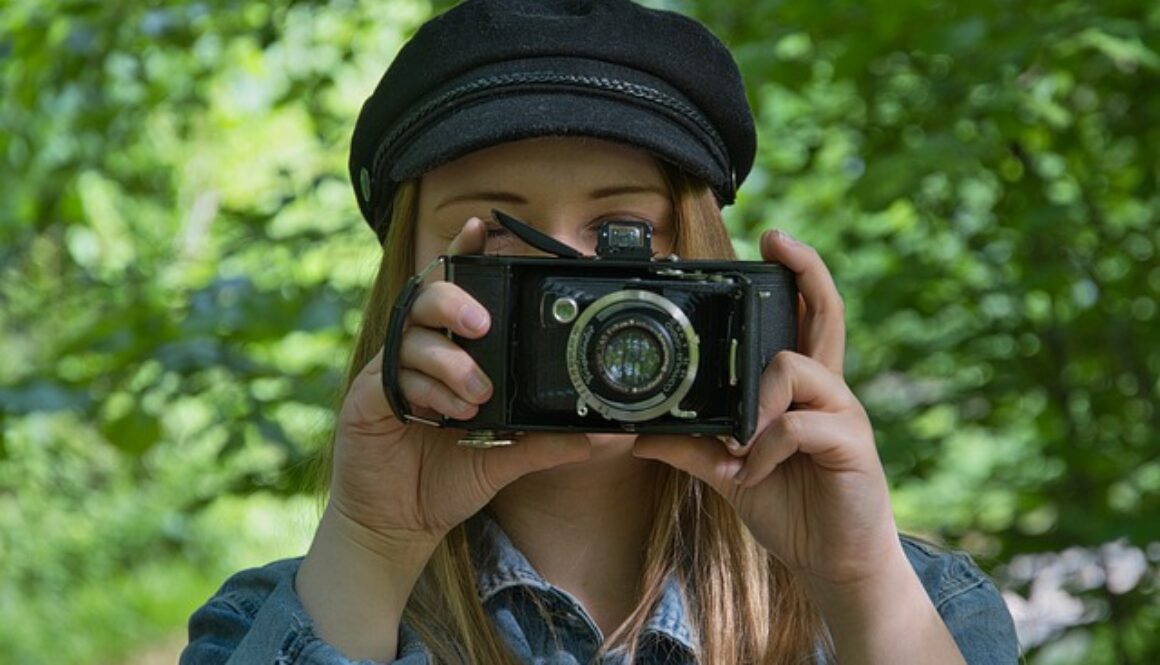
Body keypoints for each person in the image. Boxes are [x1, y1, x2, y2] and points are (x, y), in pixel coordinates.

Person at [181, 1, 1019, 663]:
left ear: (709, 275)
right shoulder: (279, 622)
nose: (575, 287)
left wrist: (857, 578)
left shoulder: (921, 607)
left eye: (625, 231)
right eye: (500, 237)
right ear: (407, 285)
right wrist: (373, 544)